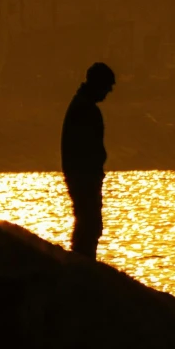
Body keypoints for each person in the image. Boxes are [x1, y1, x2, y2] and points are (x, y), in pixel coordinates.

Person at [61, 62, 116, 259]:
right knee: (89, 223)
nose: (108, 91)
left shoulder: (82, 106)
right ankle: (82, 262)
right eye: (107, 86)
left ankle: (82, 260)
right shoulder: (85, 109)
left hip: (84, 177)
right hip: (84, 178)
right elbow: (83, 149)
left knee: (88, 223)